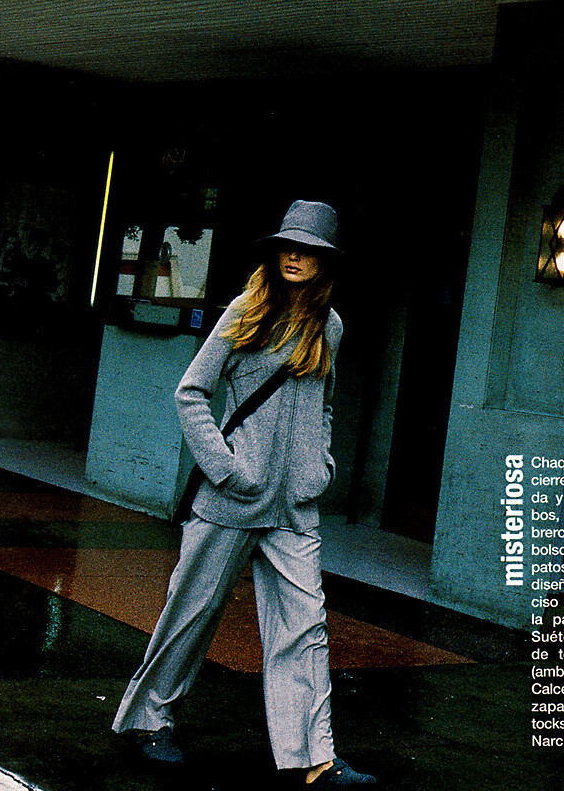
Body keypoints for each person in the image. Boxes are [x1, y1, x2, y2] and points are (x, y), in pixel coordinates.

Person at [112, 200, 377, 788]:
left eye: (307, 250)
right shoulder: (246, 311)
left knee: (304, 628)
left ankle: (313, 759)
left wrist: (319, 468)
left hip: (295, 508)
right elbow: (190, 392)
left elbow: (324, 405)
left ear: (325, 262)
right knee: (191, 611)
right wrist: (227, 469)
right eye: (288, 246)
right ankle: (147, 720)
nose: (294, 256)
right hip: (230, 499)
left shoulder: (330, 326)